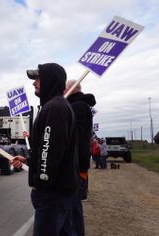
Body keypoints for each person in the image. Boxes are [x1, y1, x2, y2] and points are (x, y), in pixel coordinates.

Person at [12, 63, 78, 236]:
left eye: (37, 79)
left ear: (50, 80)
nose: (34, 83)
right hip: (58, 191)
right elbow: (49, 148)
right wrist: (29, 161)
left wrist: (41, 181)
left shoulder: (55, 108)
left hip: (51, 193)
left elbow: (50, 151)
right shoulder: (56, 106)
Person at [64, 80, 96, 236]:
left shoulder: (78, 107)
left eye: (63, 89)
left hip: (75, 169)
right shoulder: (76, 106)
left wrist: (82, 169)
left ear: (70, 89)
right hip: (76, 167)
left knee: (72, 211)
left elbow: (80, 141)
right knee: (71, 210)